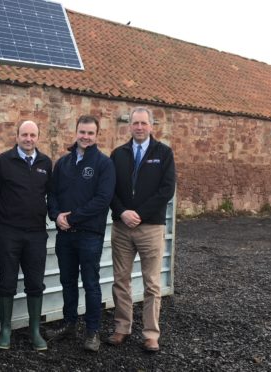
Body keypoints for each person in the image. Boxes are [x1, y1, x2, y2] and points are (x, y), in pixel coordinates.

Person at [108, 106, 176, 352]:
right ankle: (121, 328)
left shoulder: (164, 153)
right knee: (121, 280)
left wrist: (141, 214)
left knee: (152, 283)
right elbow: (109, 189)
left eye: (143, 124)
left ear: (151, 126)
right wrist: (122, 212)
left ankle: (150, 334)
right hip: (122, 226)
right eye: (135, 123)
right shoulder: (118, 154)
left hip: (150, 227)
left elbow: (167, 189)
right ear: (129, 126)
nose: (139, 127)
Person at [46, 115, 115, 352]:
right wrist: (56, 216)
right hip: (65, 235)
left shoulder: (103, 164)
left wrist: (71, 217)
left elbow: (102, 200)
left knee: (91, 283)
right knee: (67, 282)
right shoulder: (63, 163)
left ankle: (92, 331)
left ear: (96, 135)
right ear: (75, 132)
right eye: (82, 132)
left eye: (90, 133)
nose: (85, 137)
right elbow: (52, 194)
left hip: (89, 235)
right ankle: (69, 323)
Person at [0, 120, 52, 351]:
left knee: (35, 283)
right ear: (16, 136)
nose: (28, 139)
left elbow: (50, 194)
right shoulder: (2, 162)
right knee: (7, 282)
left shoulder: (45, 163)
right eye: (24, 135)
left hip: (36, 234)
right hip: (8, 233)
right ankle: (5, 329)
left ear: (38, 137)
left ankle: (34, 330)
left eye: (33, 135)